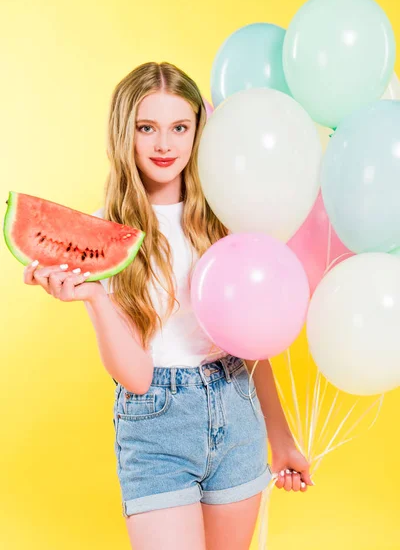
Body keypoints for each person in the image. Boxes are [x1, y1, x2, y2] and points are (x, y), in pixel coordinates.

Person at [23, 61, 314, 550]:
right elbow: (135, 378)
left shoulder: (226, 217)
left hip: (236, 410)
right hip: (155, 424)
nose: (164, 145)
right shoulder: (102, 235)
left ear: (198, 131)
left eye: (180, 127)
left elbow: (250, 345)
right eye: (147, 128)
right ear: (125, 133)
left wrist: (281, 439)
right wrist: (94, 295)